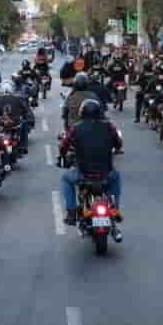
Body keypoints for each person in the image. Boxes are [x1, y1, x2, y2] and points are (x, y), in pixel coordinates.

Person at [59, 98, 123, 241]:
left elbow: (64, 144)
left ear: (82, 113)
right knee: (116, 177)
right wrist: (117, 148)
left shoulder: (76, 128)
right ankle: (115, 208)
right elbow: (118, 143)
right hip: (106, 174)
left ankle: (71, 212)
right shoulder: (109, 126)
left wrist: (62, 156)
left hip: (84, 175)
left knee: (66, 178)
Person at [0, 81, 32, 152]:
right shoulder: (17, 99)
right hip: (15, 123)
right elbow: (25, 109)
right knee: (24, 123)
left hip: (2, 124)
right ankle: (23, 145)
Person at [133, 59, 156, 123]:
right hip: (151, 92)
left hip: (143, 91)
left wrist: (135, 83)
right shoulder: (154, 73)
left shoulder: (142, 73)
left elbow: (137, 81)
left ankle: (137, 118)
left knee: (138, 103)